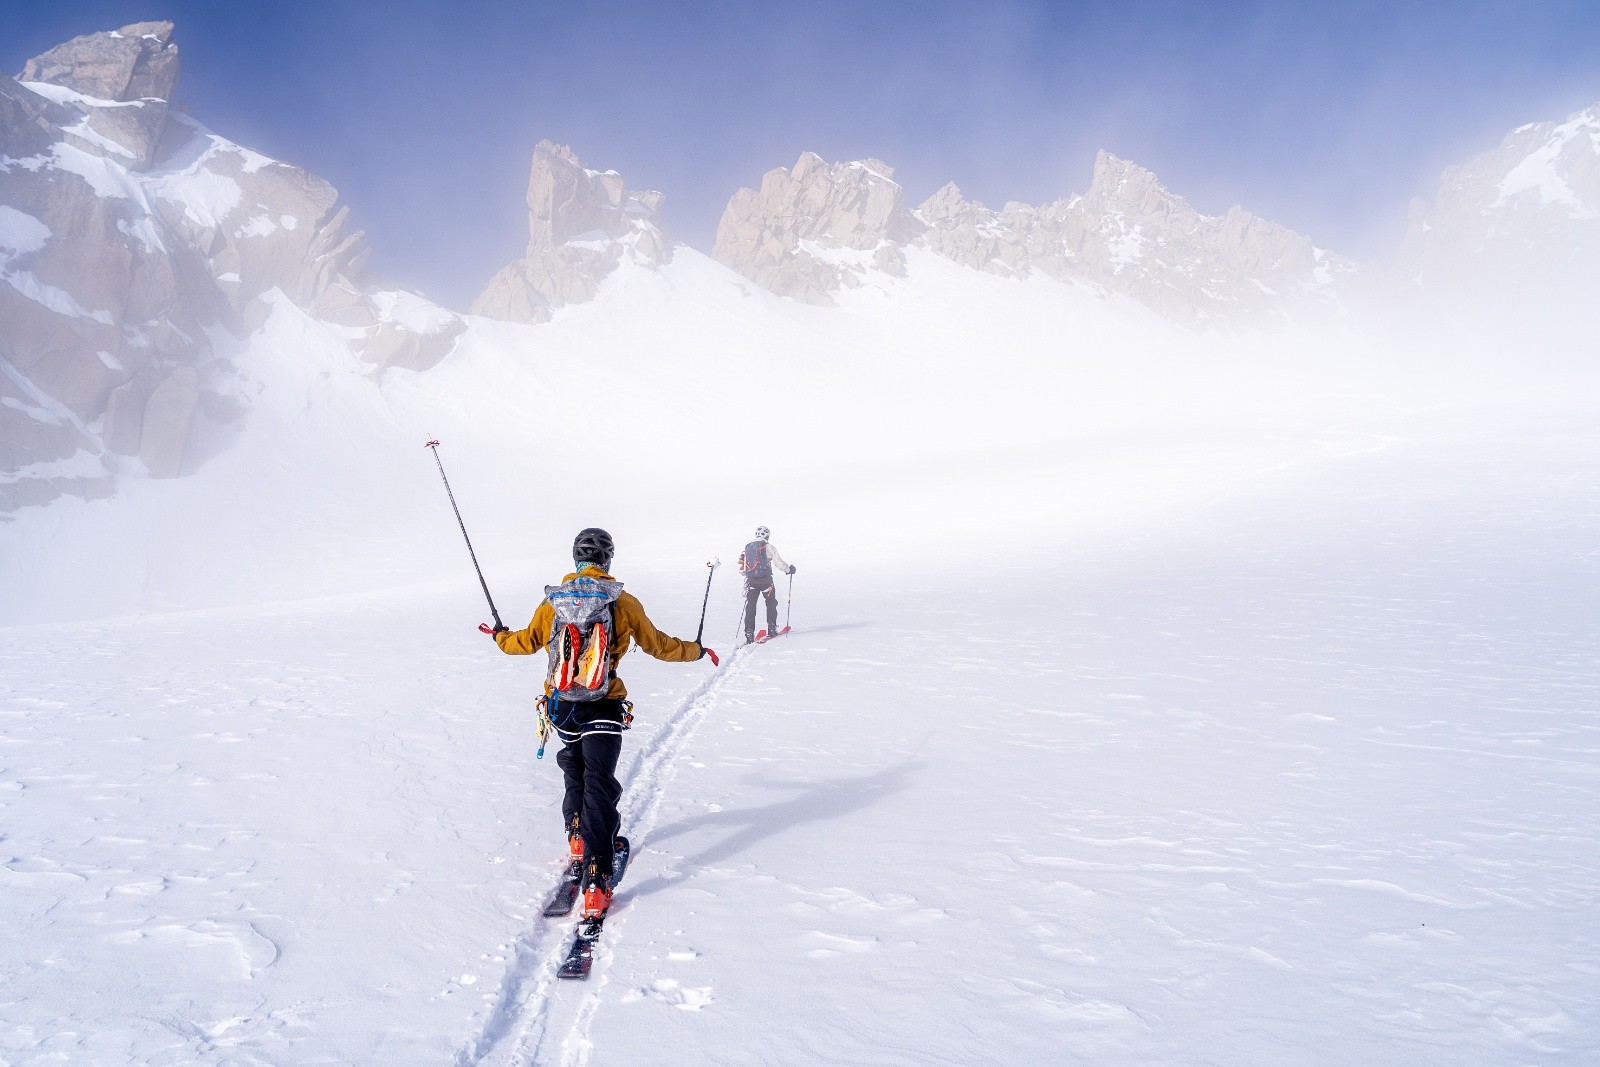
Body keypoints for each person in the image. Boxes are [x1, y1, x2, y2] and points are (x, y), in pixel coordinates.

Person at [488, 527, 714, 918]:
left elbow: (524, 642)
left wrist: (499, 636)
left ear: (575, 559)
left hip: (562, 706)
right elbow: (658, 645)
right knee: (599, 781)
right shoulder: (622, 601)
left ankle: (577, 837)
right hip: (604, 705)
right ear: (608, 560)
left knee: (574, 766)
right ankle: (597, 876)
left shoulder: (554, 603)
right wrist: (695, 651)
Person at [739, 525, 796, 643]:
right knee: (771, 603)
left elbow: (741, 569)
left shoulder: (747, 547)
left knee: (751, 606)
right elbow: (778, 563)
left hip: (751, 582)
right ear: (767, 536)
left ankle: (749, 632)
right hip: (766, 582)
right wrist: (789, 570)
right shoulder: (769, 547)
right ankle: (771, 628)